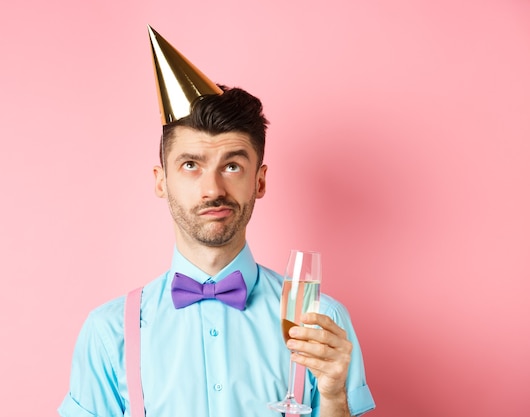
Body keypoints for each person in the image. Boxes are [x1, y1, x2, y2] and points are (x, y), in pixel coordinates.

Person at [58, 26, 375, 417]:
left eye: (232, 165)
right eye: (191, 165)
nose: (213, 188)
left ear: (259, 181)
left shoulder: (321, 321)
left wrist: (333, 398)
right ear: (161, 181)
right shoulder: (108, 332)